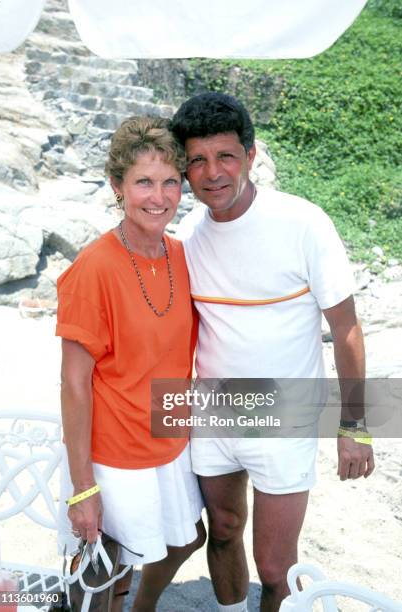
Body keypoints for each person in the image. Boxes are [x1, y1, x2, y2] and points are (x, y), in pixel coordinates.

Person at [171, 93, 375, 612]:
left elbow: (346, 329)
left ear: (252, 154)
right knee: (221, 531)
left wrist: (354, 426)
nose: (212, 173)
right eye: (197, 160)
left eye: (225, 157)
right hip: (213, 410)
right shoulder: (187, 235)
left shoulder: (304, 223)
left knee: (276, 567)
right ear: (184, 168)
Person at [56, 116, 205, 612]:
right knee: (103, 572)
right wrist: (83, 490)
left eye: (169, 182)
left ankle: (139, 606)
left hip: (168, 441)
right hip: (113, 453)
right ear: (117, 186)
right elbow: (75, 385)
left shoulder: (182, 256)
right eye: (143, 182)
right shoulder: (93, 268)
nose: (158, 196)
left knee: (186, 538)